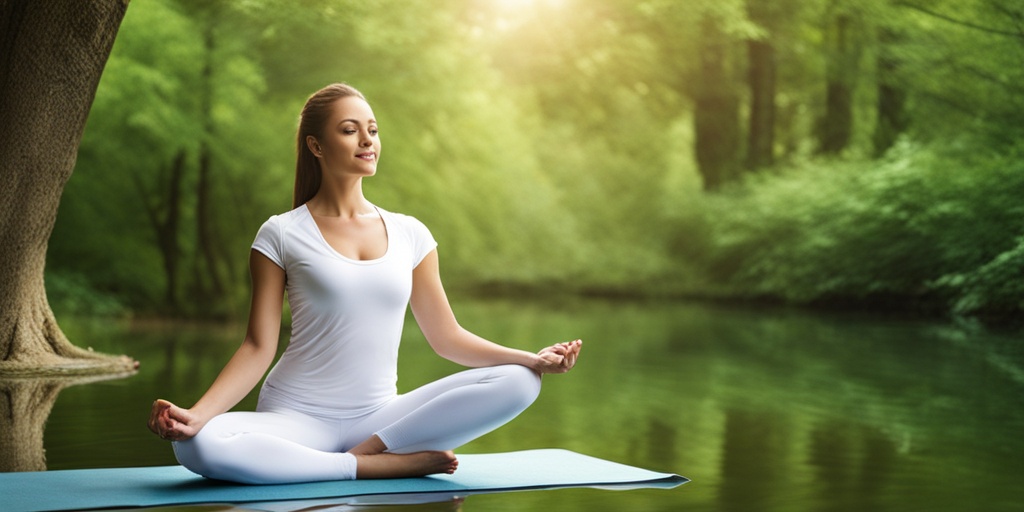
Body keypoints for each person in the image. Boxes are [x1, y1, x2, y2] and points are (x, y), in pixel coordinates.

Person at [147, 83, 582, 484]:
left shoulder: (411, 233)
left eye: (372, 130)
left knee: (521, 382)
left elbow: (447, 338)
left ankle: (372, 451)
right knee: (197, 446)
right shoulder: (281, 233)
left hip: (381, 418)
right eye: (350, 130)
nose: (367, 140)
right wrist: (196, 415)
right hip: (296, 419)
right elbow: (258, 347)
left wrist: (532, 359)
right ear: (316, 145)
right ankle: (365, 466)